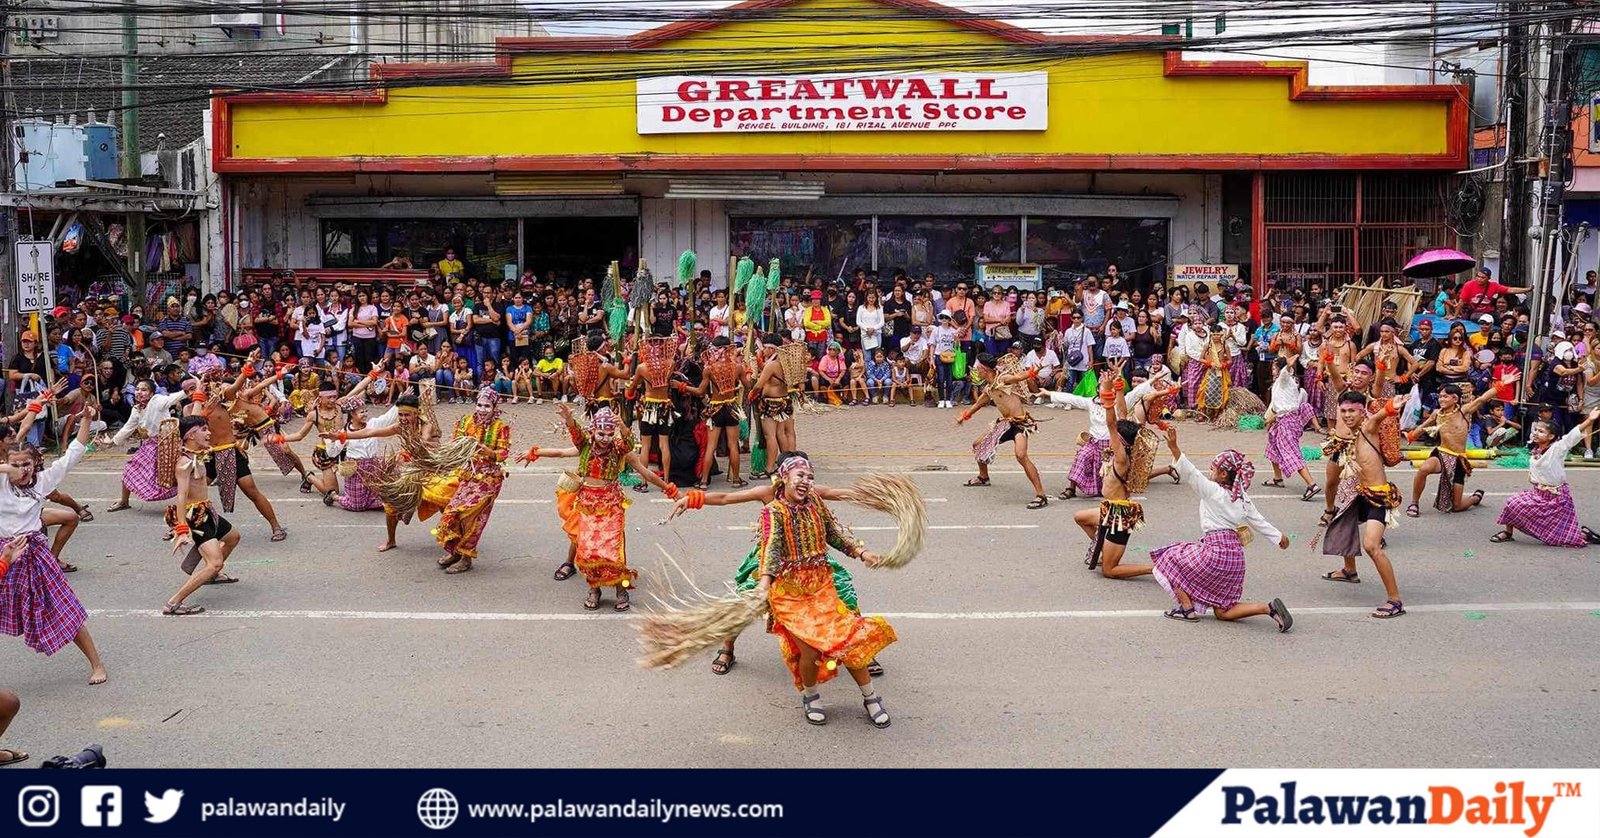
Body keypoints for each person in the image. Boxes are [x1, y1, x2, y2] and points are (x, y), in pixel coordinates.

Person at [749, 452, 895, 726]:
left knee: (849, 642)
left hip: (821, 587)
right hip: (790, 594)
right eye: (800, 476)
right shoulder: (773, 512)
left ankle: (871, 697)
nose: (806, 481)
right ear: (784, 478)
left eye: (810, 476)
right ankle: (811, 695)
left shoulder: (815, 501)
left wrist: (862, 553)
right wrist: (764, 583)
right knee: (811, 652)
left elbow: (833, 535)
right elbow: (770, 547)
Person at [523, 404, 674, 611]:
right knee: (588, 551)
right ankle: (595, 589)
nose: (605, 438)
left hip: (611, 505)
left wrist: (669, 489)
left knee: (613, 551)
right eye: (601, 433)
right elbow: (563, 447)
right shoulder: (584, 446)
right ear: (593, 431)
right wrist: (537, 450)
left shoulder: (620, 449)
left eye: (609, 434)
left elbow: (643, 470)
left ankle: (621, 589)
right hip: (586, 505)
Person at [0, 402, 108, 682]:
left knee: (64, 607)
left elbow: (74, 452)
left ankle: (97, 664)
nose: (22, 470)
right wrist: (5, 471)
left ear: (36, 463)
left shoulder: (43, 482)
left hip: (34, 553)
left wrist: (85, 419)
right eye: (16, 465)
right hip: (4, 552)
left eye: (27, 464)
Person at [1147, 426, 1293, 631]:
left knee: (1169, 557)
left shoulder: (1213, 491)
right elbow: (1257, 519)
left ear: (1223, 474)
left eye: (1213, 469)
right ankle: (1268, 608)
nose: (1210, 472)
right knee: (1223, 611)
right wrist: (1279, 537)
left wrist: (1174, 447)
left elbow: (1191, 472)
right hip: (1235, 560)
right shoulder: (1240, 495)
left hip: (1215, 553)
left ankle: (1187, 609)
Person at [1317, 391, 1407, 618]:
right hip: (1361, 494)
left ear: (1362, 411)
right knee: (1343, 524)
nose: (1347, 415)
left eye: (1352, 411)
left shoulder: (1367, 428)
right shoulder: (1350, 435)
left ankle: (1395, 600)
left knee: (1372, 547)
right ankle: (1349, 570)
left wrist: (1390, 407)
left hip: (1378, 497)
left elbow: (1378, 417)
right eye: (1343, 411)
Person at [432, 388, 512, 574]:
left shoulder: (501, 427)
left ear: (494, 407)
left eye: (487, 406)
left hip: (489, 479)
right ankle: (455, 552)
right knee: (453, 512)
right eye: (479, 405)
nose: (482, 409)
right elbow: (455, 445)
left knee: (472, 517)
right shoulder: (465, 422)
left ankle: (466, 557)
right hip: (467, 476)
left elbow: (503, 454)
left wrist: (489, 452)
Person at [1492, 408, 1600, 546]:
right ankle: (1508, 533)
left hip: (1557, 497)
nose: (1536, 433)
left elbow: (1572, 436)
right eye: (1536, 430)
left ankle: (1583, 534)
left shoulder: (1557, 448)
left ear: (1551, 437)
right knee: (1513, 503)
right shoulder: (1536, 450)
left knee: (1558, 538)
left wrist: (1590, 420)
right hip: (1538, 493)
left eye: (1541, 431)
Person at [958, 352, 1048, 508]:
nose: (976, 371)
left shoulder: (1003, 380)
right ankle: (983, 476)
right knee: (977, 444)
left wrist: (1033, 371)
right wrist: (964, 416)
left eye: (977, 368)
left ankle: (1041, 495)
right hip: (1005, 424)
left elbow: (1019, 377)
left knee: (1021, 456)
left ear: (984, 369)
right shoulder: (989, 388)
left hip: (1019, 424)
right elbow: (978, 404)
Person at [1406, 382, 1510, 516]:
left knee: (1456, 506)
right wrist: (1410, 437)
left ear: (1455, 399)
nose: (1441, 399)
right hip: (1442, 453)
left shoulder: (1464, 411)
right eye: (1440, 396)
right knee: (1424, 469)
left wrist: (1501, 385)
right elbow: (1423, 427)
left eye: (1445, 397)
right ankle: (1414, 503)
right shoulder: (1437, 413)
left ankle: (1475, 498)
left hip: (1459, 459)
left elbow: (1482, 399)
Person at [106, 378, 194, 511]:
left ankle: (189, 503)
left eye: (144, 389)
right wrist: (112, 441)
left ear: (152, 393)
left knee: (179, 474)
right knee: (130, 468)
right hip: (150, 445)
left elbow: (171, 398)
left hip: (168, 444)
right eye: (137, 389)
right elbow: (128, 427)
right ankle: (124, 501)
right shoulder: (137, 408)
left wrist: (187, 391)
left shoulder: (157, 400)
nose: (139, 392)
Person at [690, 337, 748, 489]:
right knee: (733, 445)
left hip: (715, 409)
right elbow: (749, 385)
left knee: (711, 446)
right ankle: (736, 480)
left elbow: (700, 391)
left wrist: (683, 386)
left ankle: (703, 482)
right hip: (731, 408)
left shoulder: (709, 368)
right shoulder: (738, 367)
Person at [1261, 356, 1321, 500]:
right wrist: (1269, 419)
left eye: (1275, 367)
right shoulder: (1279, 384)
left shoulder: (1285, 379)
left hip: (1287, 422)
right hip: (1281, 420)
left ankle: (1312, 484)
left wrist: (1287, 364)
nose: (1273, 370)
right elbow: (1276, 406)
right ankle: (1278, 478)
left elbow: (1285, 371)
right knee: (1272, 447)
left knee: (1292, 454)